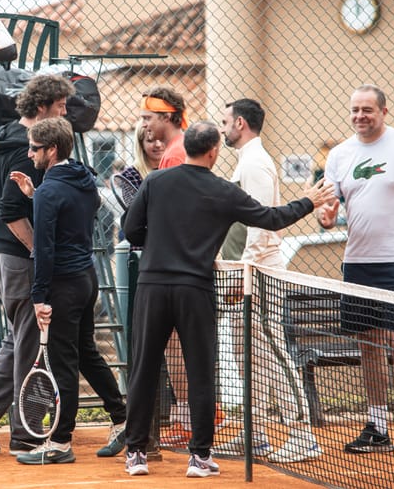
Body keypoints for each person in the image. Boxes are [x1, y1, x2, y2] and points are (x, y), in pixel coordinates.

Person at [122, 121, 335, 478]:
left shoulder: (155, 182)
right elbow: (271, 219)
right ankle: (199, 457)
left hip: (152, 286)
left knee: (144, 368)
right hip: (196, 290)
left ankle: (136, 454)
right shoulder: (223, 191)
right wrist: (309, 202)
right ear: (213, 152)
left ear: (185, 146)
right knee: (201, 371)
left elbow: (131, 230)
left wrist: (159, 241)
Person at [0, 75, 127, 459]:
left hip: (25, 260)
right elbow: (10, 208)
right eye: (60, 106)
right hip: (46, 264)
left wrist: (24, 248)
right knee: (35, 343)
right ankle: (26, 431)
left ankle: (8, 425)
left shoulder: (5, 141)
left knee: (29, 343)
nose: (67, 111)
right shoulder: (61, 167)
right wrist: (35, 246)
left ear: (49, 151)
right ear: (41, 110)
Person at [317, 84, 394, 453]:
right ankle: (378, 426)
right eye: (354, 110)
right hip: (357, 262)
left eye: (367, 110)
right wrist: (326, 215)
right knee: (369, 344)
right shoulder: (339, 155)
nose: (359, 116)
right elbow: (327, 208)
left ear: (384, 111)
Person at [10, 117, 126, 465]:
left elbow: (44, 248)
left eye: (34, 148)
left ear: (52, 149)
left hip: (61, 285)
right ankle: (122, 418)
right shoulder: (84, 179)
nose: (29, 154)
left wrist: (39, 297)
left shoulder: (50, 191)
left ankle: (60, 442)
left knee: (64, 364)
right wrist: (35, 197)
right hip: (86, 280)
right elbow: (70, 219)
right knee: (86, 353)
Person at [215, 99, 322, 463]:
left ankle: (302, 433)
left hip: (258, 273)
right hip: (243, 272)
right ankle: (255, 433)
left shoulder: (256, 163)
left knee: (271, 353)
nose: (222, 127)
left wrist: (243, 272)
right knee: (247, 355)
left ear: (240, 123)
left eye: (225, 121)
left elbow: (261, 224)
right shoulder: (247, 160)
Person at [142, 86, 196, 446]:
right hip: (178, 266)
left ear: (166, 117)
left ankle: (189, 418)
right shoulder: (176, 153)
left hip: (175, 269)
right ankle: (186, 417)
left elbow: (178, 217)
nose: (144, 124)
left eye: (148, 117)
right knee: (176, 345)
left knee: (177, 345)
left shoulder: (175, 157)